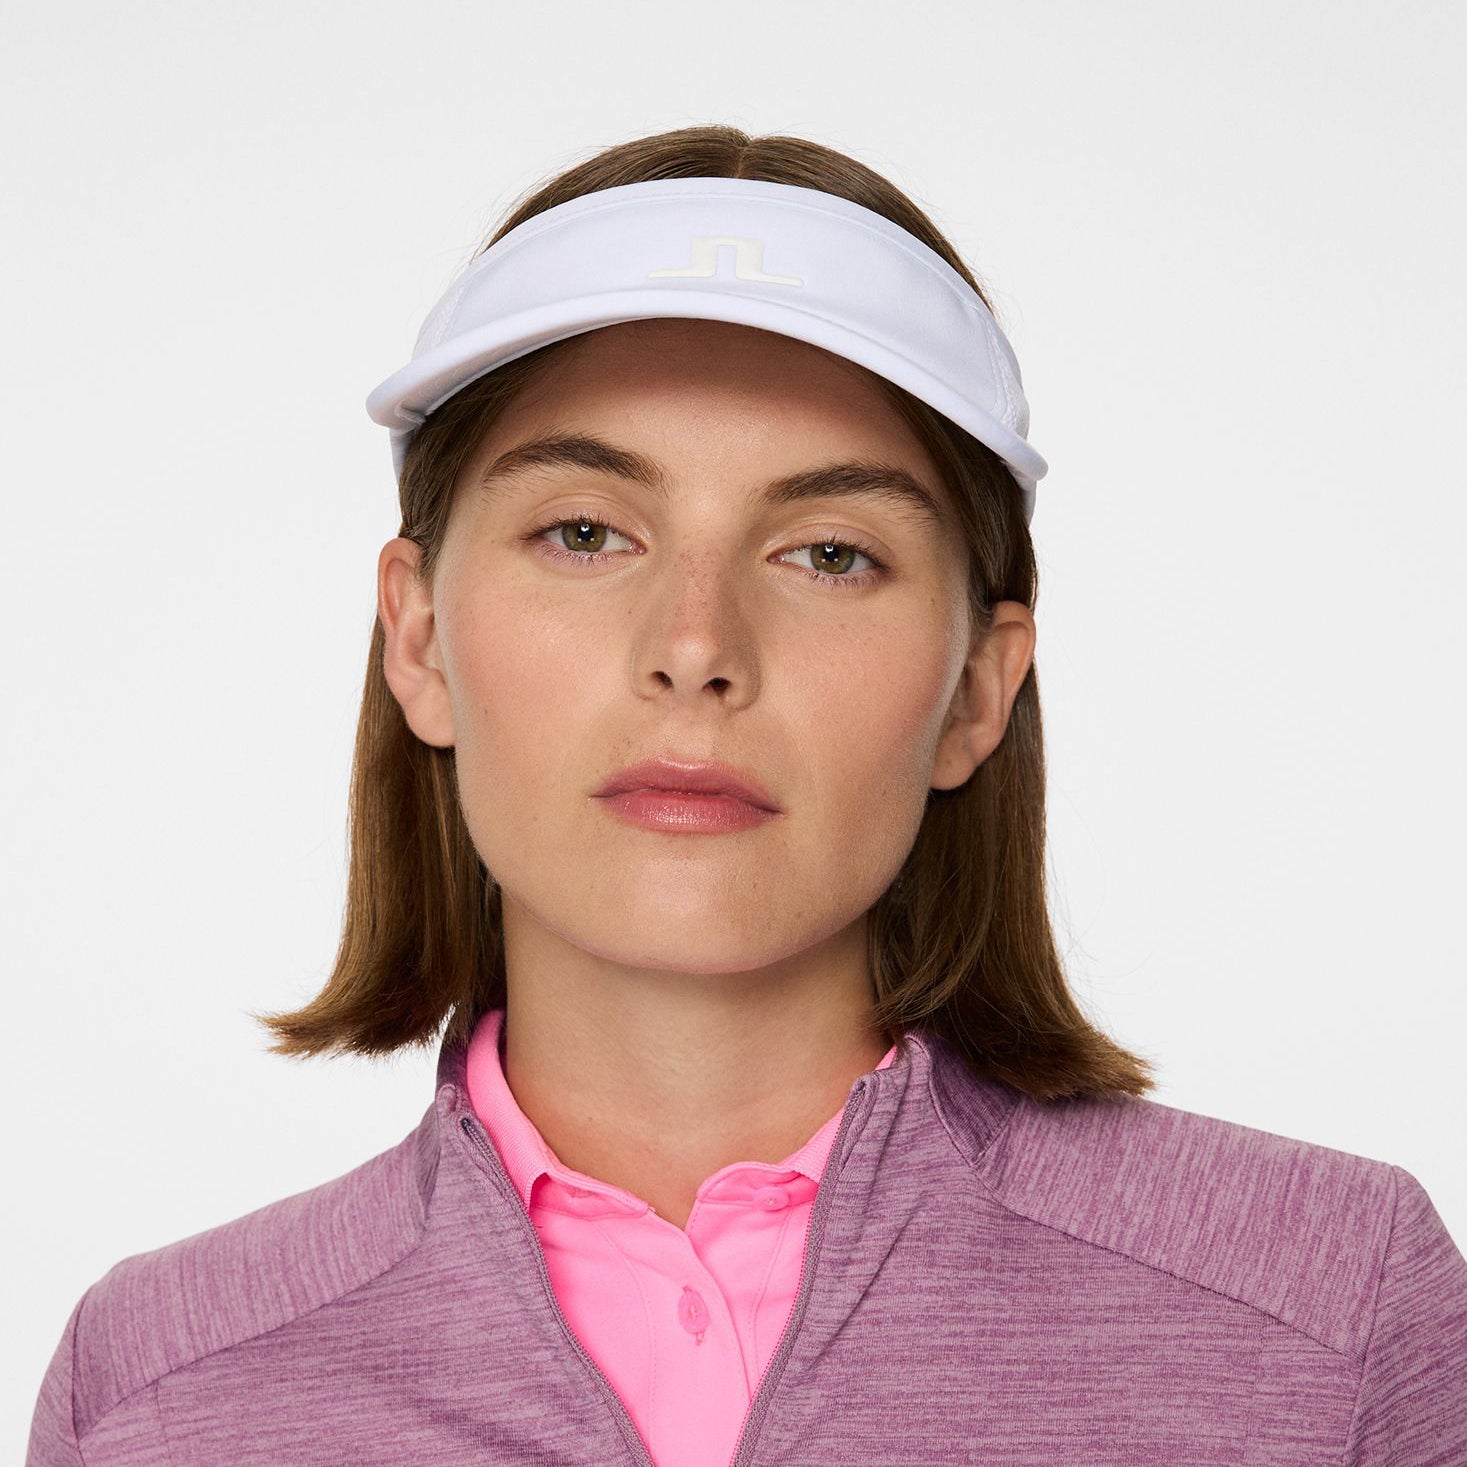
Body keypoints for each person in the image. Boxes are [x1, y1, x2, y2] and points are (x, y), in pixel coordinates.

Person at [27, 124, 1465, 1467]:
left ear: (979, 685)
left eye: (830, 553)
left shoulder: (1332, 1309)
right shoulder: (158, 1389)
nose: (697, 647)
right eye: (585, 532)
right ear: (418, 640)